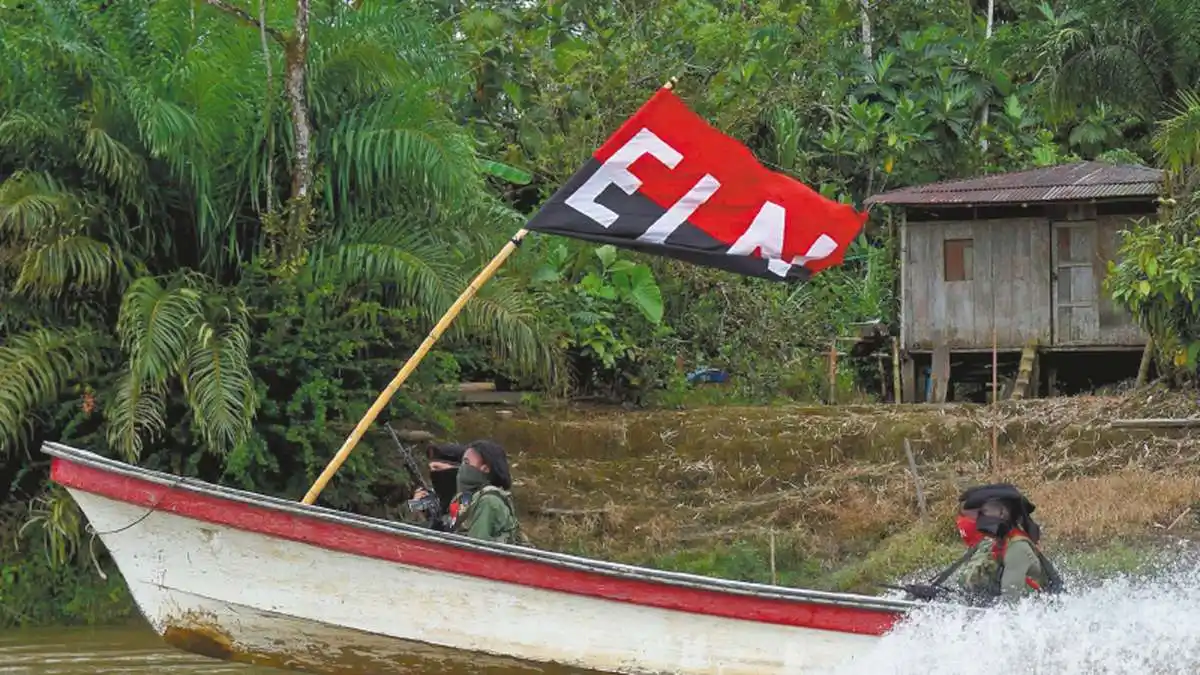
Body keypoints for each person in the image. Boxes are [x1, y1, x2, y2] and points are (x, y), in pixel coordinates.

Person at [951, 490, 1064, 604]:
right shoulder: (990, 544)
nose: (978, 519)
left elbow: (1010, 605)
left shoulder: (1018, 548)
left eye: (983, 513)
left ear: (1002, 513)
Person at [445, 439, 525, 545]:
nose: (462, 468)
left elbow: (476, 547)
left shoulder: (489, 501)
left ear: (485, 469)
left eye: (467, 462)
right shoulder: (466, 498)